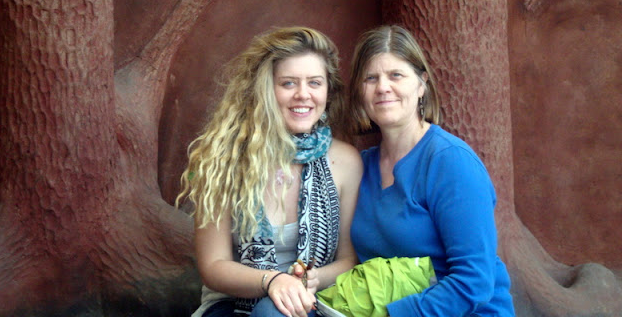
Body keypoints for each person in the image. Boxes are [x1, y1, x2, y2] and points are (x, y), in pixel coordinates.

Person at [177, 27, 363, 317]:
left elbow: (348, 259)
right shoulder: (223, 159)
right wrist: (273, 280)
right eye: (288, 83)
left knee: (272, 312)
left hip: (310, 302)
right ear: (265, 90)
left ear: (328, 91)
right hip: (231, 303)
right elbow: (213, 265)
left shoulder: (345, 162)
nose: (303, 94)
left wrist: (313, 279)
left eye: (315, 83)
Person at [347, 25, 515, 317]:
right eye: (371, 78)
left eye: (396, 75)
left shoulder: (450, 162)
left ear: (421, 84)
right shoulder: (360, 167)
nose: (382, 87)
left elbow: (474, 281)